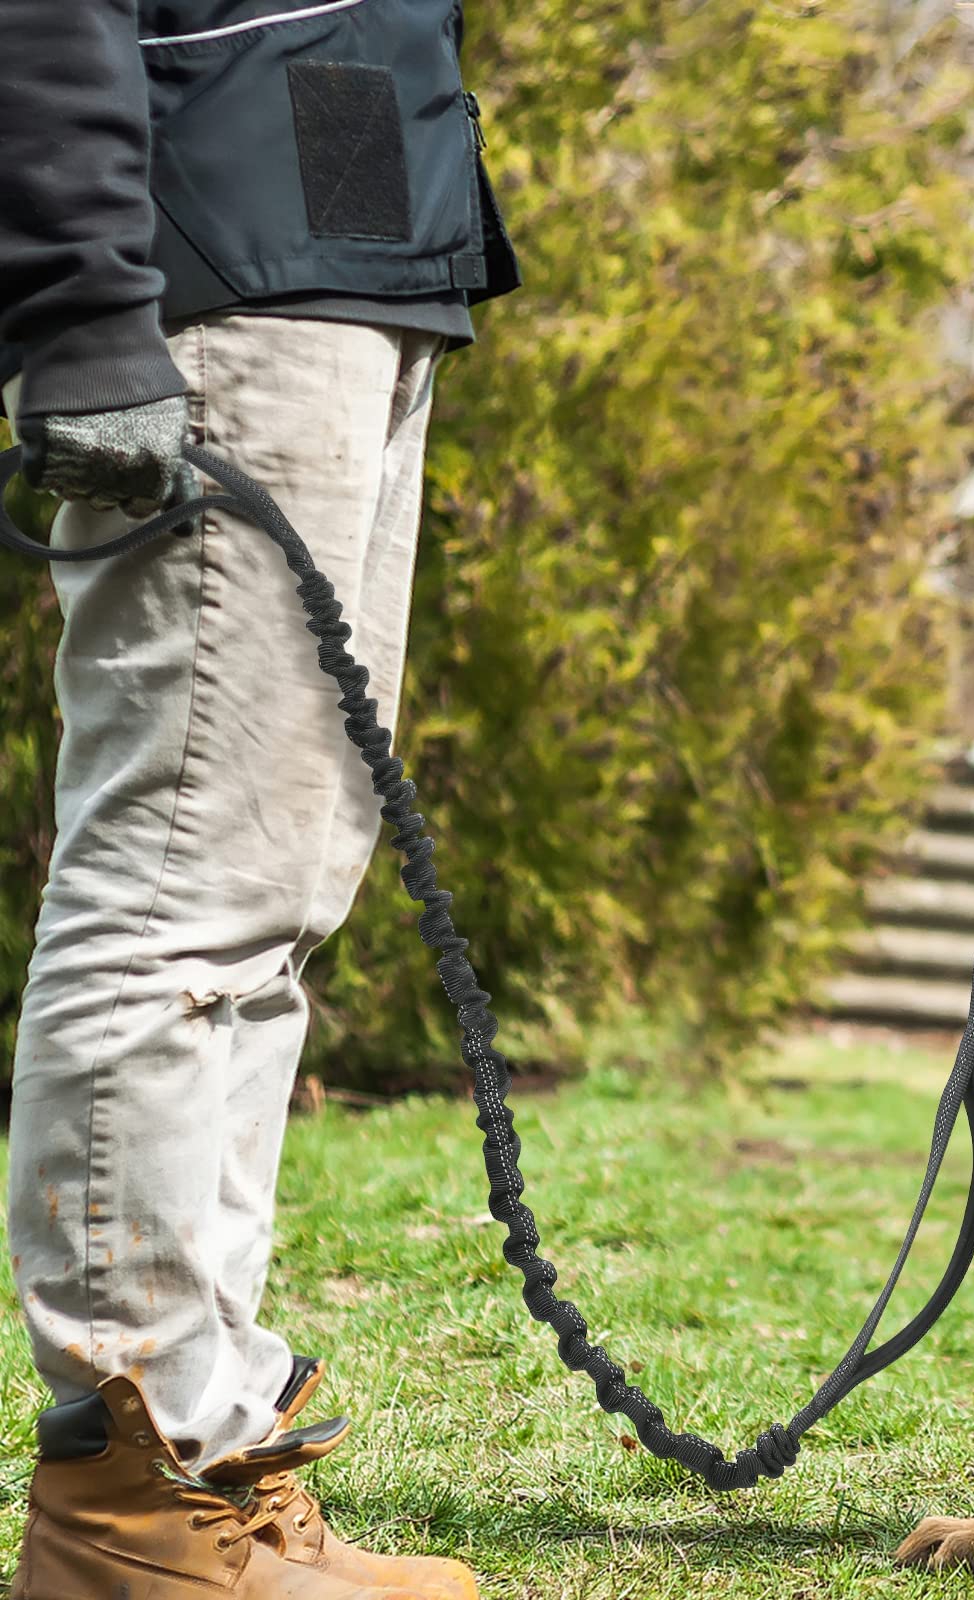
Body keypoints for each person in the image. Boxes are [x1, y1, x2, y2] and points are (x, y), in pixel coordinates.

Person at [1, 3, 520, 1595]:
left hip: (355, 257)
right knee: (180, 887)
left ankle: (214, 1443)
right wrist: (81, 303)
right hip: (217, 276)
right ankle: (129, 1494)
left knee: (272, 901)